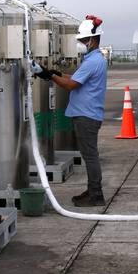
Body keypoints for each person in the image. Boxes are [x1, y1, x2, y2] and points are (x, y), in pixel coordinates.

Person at [33, 15, 108, 206]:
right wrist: (55, 73)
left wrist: (47, 75)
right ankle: (92, 190)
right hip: (87, 114)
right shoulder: (93, 59)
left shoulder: (93, 61)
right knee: (89, 155)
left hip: (86, 116)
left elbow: (71, 84)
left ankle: (96, 195)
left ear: (93, 40)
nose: (80, 44)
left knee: (90, 156)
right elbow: (74, 77)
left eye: (83, 40)